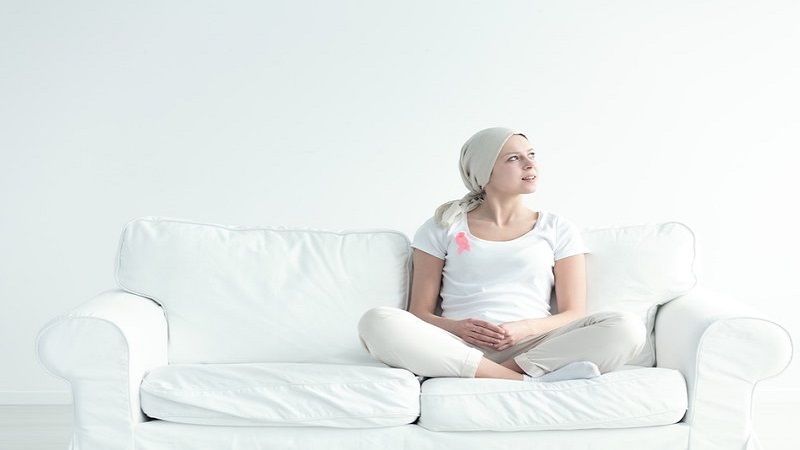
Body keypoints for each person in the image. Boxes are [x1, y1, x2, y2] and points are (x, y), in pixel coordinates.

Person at [358, 127, 645, 382]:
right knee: (376, 321)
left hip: (533, 344)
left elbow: (574, 313)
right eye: (513, 158)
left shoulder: (557, 227)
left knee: (627, 328)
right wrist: (458, 328)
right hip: (457, 345)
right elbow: (419, 313)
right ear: (485, 172)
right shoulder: (442, 226)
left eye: (531, 154)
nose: (530, 164)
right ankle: (523, 382)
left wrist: (525, 329)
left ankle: (489, 374)